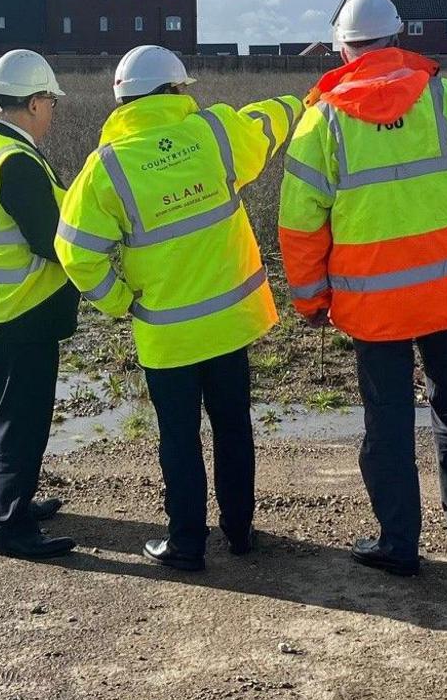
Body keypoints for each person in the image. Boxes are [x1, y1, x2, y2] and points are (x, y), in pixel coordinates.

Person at [277, 0, 447, 576]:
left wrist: (309, 296)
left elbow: (301, 224)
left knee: (385, 420)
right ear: (397, 37)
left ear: (343, 49)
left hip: (371, 303)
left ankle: (398, 543)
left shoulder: (321, 120)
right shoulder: (444, 96)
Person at [55, 46, 303, 572]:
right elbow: (266, 121)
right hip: (228, 320)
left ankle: (187, 544)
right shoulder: (213, 133)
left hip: (166, 334)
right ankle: (239, 533)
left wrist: (118, 301)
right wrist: (305, 100)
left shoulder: (107, 167)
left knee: (179, 437)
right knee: (233, 426)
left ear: (122, 100)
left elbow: (74, 248)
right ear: (175, 90)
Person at [0, 49, 78, 559]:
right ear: (32, 103)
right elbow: (53, 241)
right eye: (50, 101)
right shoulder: (15, 161)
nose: (52, 110)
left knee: (6, 416)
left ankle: (3, 500)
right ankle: (10, 527)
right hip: (20, 312)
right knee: (22, 423)